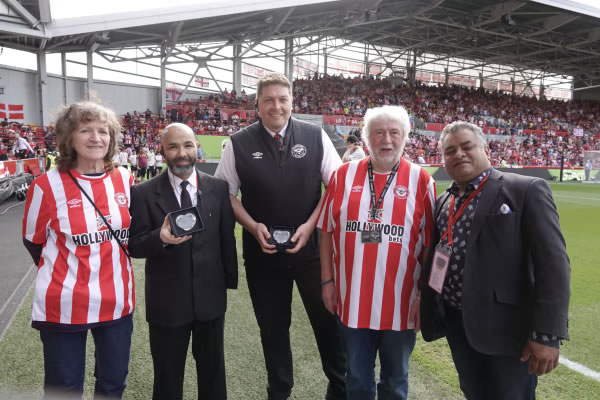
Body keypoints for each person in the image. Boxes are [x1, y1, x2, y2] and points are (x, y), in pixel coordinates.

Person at [214, 72, 346, 400]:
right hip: (263, 254)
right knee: (273, 330)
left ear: (292, 102)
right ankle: (280, 391)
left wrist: (311, 225)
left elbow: (337, 187)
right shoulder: (238, 143)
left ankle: (340, 388)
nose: (277, 106)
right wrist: (252, 226)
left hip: (312, 251)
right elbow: (225, 194)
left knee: (328, 324)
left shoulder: (316, 136)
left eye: (283, 99)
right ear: (257, 104)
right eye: (269, 100)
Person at [420, 121, 570, 400]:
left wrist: (547, 333)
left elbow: (554, 264)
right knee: (474, 393)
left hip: (507, 329)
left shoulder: (525, 190)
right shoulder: (443, 201)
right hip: (459, 324)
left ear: (486, 149)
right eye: (450, 151)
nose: (459, 154)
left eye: (467, 147)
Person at [318, 106, 435, 399]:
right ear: (367, 138)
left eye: (394, 133)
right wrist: (327, 281)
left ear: (405, 138)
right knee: (357, 378)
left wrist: (423, 296)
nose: (387, 139)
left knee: (395, 380)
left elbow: (430, 247)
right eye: (379, 132)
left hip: (402, 305)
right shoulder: (343, 175)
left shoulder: (421, 181)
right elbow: (326, 230)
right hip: (351, 299)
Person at [21, 101, 135, 398]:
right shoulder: (46, 186)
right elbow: (33, 241)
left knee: (113, 383)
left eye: (103, 131)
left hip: (117, 300)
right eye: (85, 130)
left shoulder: (125, 179)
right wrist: (65, 271)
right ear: (69, 137)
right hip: (64, 303)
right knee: (64, 389)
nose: (96, 138)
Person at [128, 122, 237, 400]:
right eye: (173, 146)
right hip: (167, 305)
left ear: (197, 148)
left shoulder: (218, 188)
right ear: (162, 150)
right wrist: (160, 237)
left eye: (187, 145)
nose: (181, 153)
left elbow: (226, 241)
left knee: (213, 375)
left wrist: (227, 284)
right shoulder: (142, 193)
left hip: (210, 302)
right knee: (167, 378)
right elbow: (134, 246)